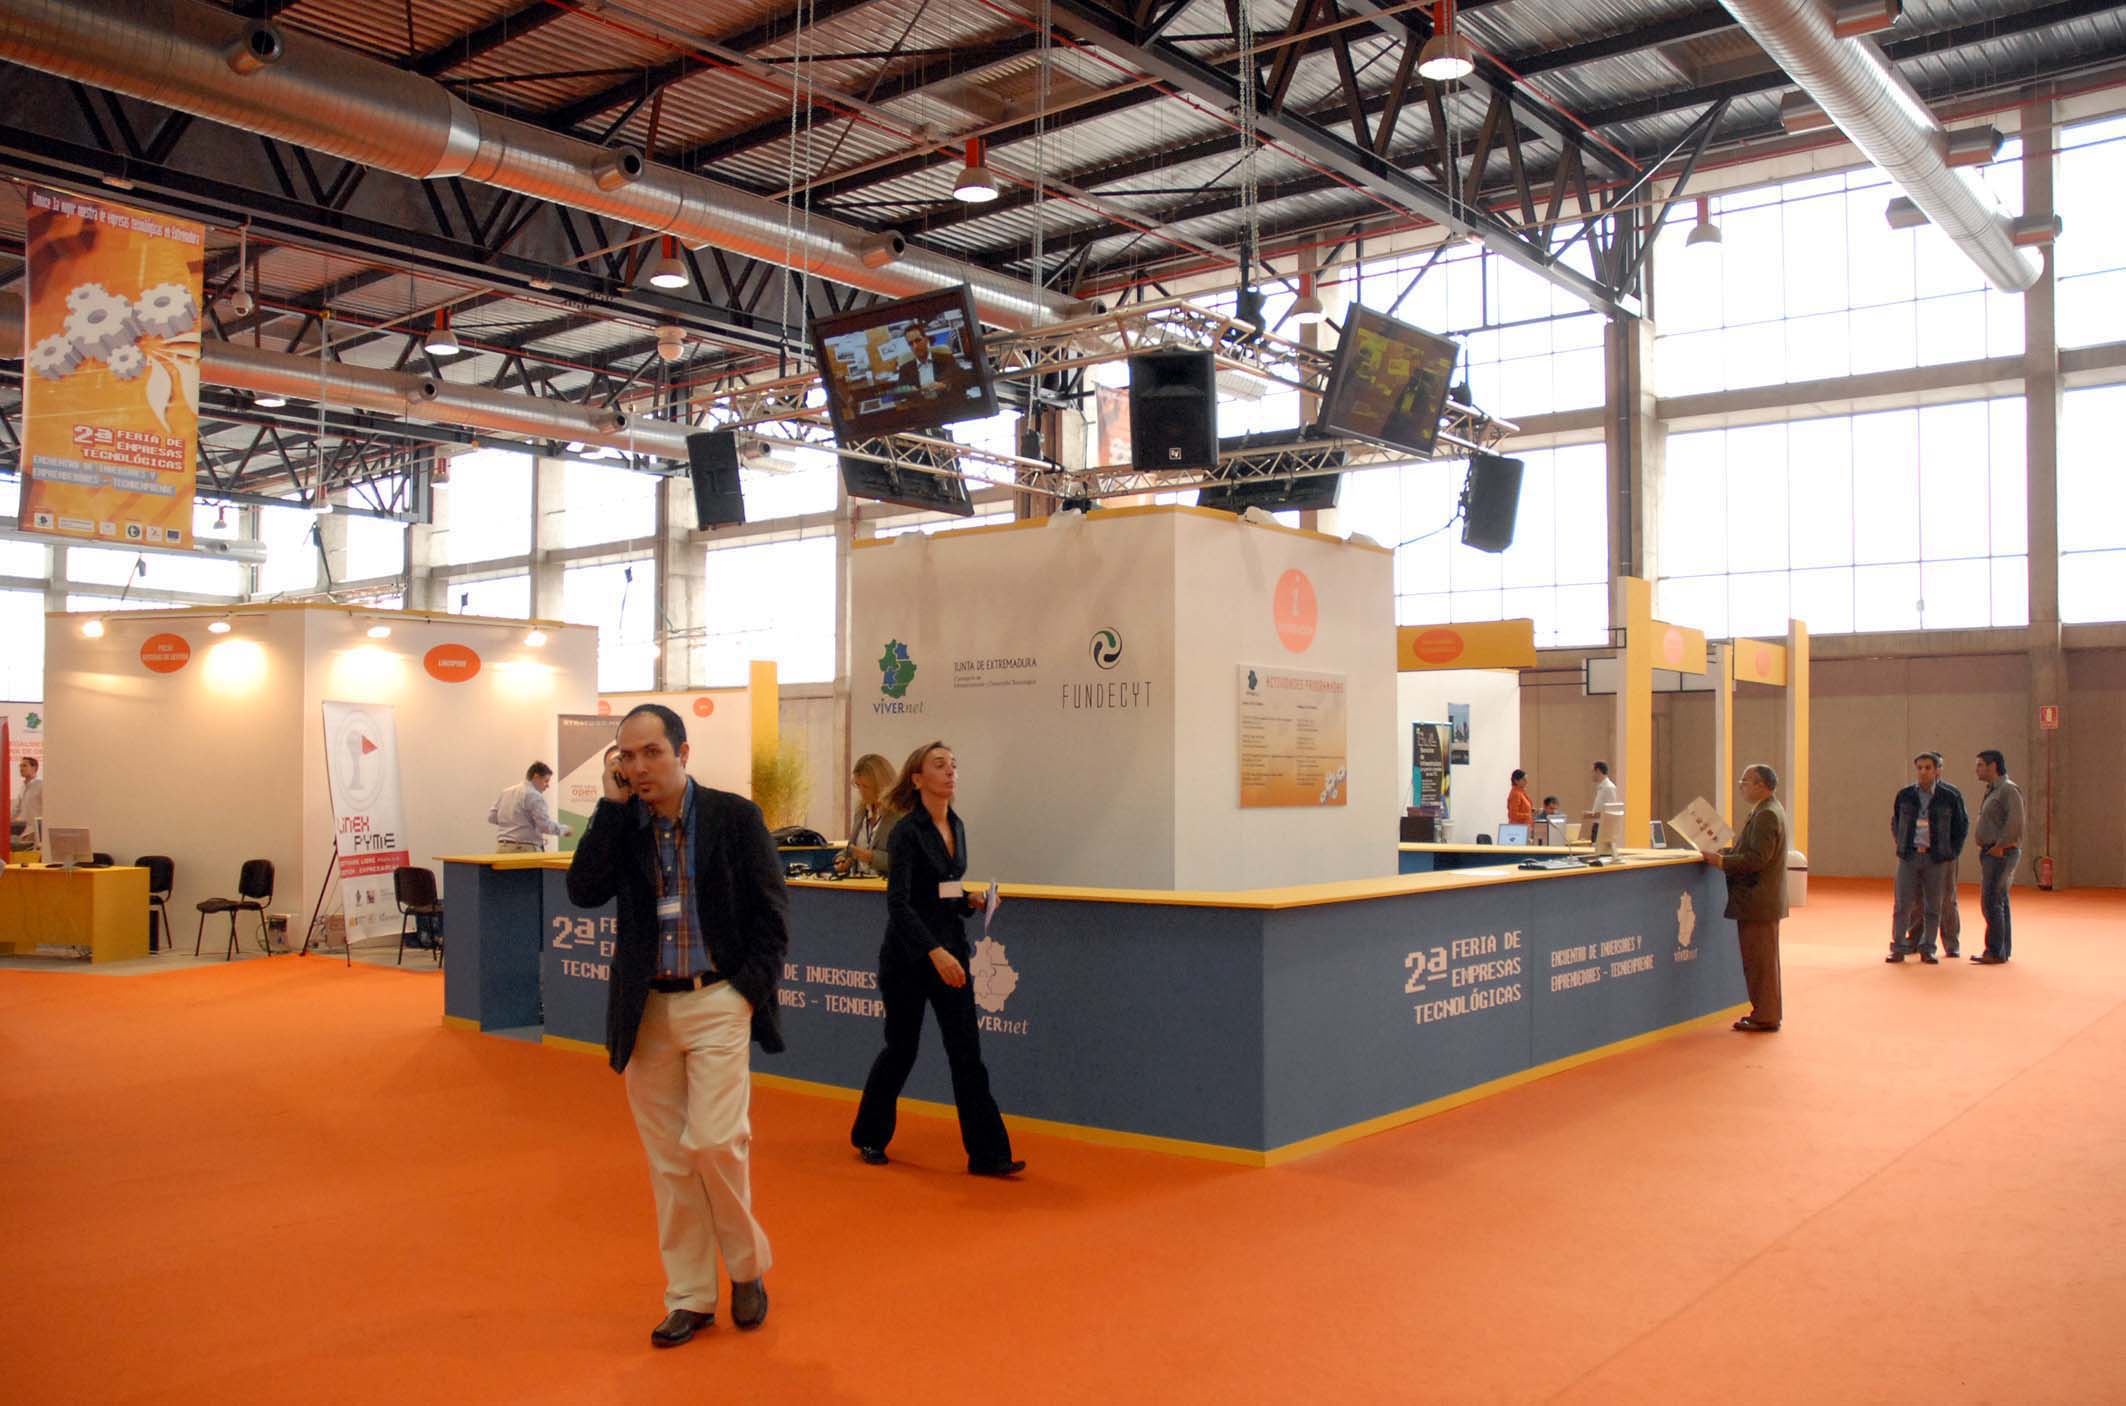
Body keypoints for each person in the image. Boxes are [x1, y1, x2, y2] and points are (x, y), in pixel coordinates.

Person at [566, 704, 789, 1348]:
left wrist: (745, 993)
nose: (638, 767)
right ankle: (690, 1295)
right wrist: (610, 809)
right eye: (626, 756)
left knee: (716, 1142)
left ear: (683, 753)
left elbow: (772, 913)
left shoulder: (734, 817)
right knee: (670, 1162)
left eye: (651, 753)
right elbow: (584, 889)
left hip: (718, 999)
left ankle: (745, 1266)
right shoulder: (624, 823)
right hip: (647, 1011)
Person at [850, 741, 1022, 1178]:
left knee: (967, 1053)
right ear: (917, 778)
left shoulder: (957, 825)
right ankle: (870, 1135)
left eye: (954, 765)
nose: (950, 772)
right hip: (909, 957)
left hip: (952, 950)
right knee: (901, 1049)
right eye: (939, 765)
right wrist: (934, 951)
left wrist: (970, 900)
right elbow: (900, 902)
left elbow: (942, 889)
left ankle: (988, 1155)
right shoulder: (907, 832)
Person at [1706, 763, 1788, 1032]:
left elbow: (1757, 859)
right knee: (1762, 962)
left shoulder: (1766, 815)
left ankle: (1765, 1015)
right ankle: (1766, 1012)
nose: (1741, 786)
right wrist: (1727, 854)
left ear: (1761, 785)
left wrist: (1721, 861)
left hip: (1758, 899)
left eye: (1745, 781)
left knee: (1759, 963)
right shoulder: (1767, 810)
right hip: (1761, 900)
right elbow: (1751, 850)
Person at [1888, 751, 1969, 965]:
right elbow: (1896, 822)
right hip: (1910, 856)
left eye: (1928, 768)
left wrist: (1951, 852)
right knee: (1903, 904)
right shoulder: (1905, 795)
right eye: (1920, 768)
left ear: (1937, 771)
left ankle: (1929, 948)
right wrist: (1902, 843)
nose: (1923, 772)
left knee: (1934, 905)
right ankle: (1898, 947)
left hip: (1936, 859)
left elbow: (1961, 826)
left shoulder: (1950, 796)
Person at [1971, 749, 2025, 965]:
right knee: (1999, 900)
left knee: (1991, 901)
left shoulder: (2008, 790)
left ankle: (1994, 950)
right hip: (1992, 852)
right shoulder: (1993, 790)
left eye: (1980, 765)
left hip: (2001, 853)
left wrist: (2000, 846)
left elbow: (2015, 823)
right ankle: (2001, 949)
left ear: (1993, 766)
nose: (1976, 769)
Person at [834, 752, 900, 878]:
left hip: (887, 887)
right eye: (858, 785)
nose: (861, 792)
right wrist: (842, 858)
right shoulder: (861, 811)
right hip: (859, 885)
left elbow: (908, 860)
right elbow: (852, 849)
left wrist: (872, 857)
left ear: (883, 786)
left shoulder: (900, 814)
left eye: (866, 787)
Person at [488, 761, 568, 853]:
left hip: (502, 848)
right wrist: (564, 830)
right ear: (536, 777)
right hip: (524, 849)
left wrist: (513, 824)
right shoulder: (534, 795)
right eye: (546, 781)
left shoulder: (506, 792)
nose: (547, 786)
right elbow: (544, 826)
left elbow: (492, 818)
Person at [895, 324, 960, 396]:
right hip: (920, 402)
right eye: (911, 343)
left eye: (918, 340)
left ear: (926, 340)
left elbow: (963, 379)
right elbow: (899, 394)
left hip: (945, 400)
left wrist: (945, 385)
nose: (915, 346)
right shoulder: (905, 369)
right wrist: (916, 391)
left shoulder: (946, 359)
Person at [9, 755, 41, 845]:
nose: (21, 769)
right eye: (20, 766)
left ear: (34, 768)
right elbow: (16, 810)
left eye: (24, 766)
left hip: (36, 831)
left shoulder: (41, 786)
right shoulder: (22, 787)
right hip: (25, 831)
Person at [1584, 761, 1618, 844]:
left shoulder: (1609, 788)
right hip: (1598, 825)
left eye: (1592, 771)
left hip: (1603, 828)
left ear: (1598, 771)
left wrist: (1592, 815)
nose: (1591, 774)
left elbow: (1611, 811)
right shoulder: (1601, 788)